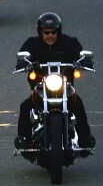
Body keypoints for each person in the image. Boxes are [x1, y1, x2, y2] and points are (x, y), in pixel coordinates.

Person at [14, 12, 96, 152]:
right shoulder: (33, 43)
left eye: (53, 32)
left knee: (78, 104)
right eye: (46, 32)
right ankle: (24, 140)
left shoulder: (69, 42)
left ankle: (85, 140)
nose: (50, 35)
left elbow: (79, 54)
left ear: (59, 31)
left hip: (65, 87)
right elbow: (24, 54)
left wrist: (83, 61)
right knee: (25, 106)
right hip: (40, 88)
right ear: (40, 32)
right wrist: (23, 62)